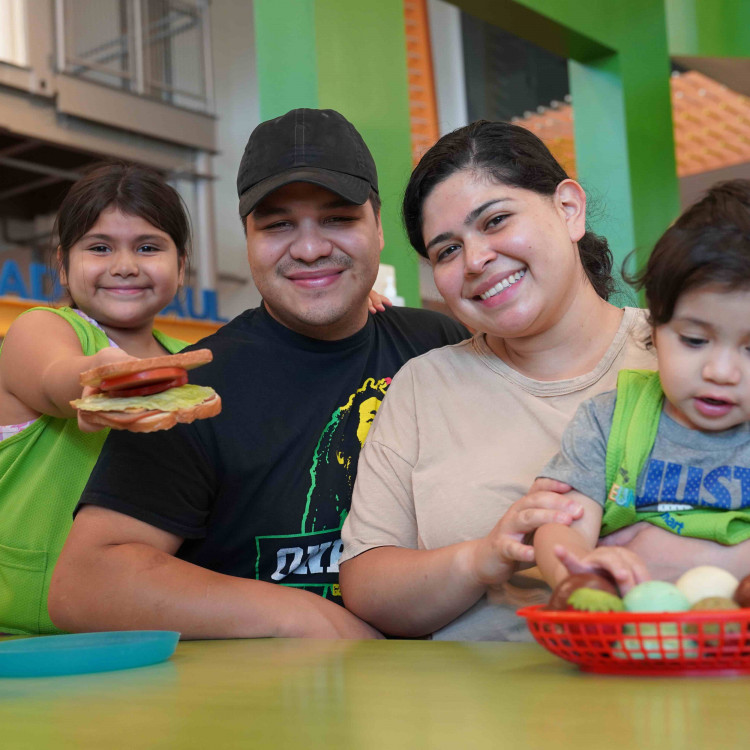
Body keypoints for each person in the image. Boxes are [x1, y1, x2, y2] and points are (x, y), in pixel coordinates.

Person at [48, 108, 468, 639]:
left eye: (339, 219)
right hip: (272, 704)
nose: (311, 248)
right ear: (246, 239)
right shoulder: (198, 388)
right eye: (278, 225)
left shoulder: (438, 345)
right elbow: (84, 585)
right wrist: (311, 619)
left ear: (378, 228)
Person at [339, 119, 658, 641]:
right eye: (446, 250)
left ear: (568, 209)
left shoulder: (685, 352)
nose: (476, 260)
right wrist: (482, 558)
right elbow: (368, 589)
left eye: (495, 221)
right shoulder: (423, 386)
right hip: (467, 712)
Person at [533, 180, 750, 593]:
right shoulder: (609, 422)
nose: (722, 371)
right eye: (695, 340)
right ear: (654, 328)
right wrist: (583, 571)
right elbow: (560, 527)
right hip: (632, 642)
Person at [0, 163, 189, 634]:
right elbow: (57, 375)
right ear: (63, 264)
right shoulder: (41, 329)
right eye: (100, 248)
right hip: (20, 636)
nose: (125, 265)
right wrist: (100, 377)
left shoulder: (186, 362)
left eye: (148, 247)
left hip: (139, 630)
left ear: (181, 267)